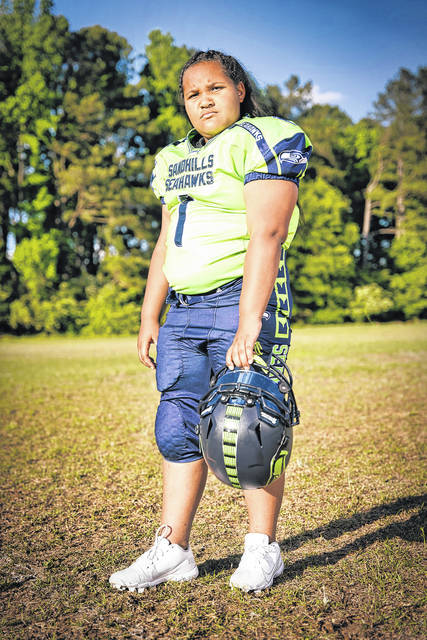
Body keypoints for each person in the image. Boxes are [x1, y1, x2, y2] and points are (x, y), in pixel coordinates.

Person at [109, 50, 312, 594]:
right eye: (192, 93)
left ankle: (262, 547)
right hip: (184, 309)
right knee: (176, 426)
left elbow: (267, 234)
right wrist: (150, 312)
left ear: (240, 89)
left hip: (241, 300)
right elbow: (164, 241)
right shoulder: (173, 157)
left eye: (215, 88)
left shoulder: (264, 137)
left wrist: (250, 322)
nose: (204, 99)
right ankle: (173, 549)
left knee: (251, 423)